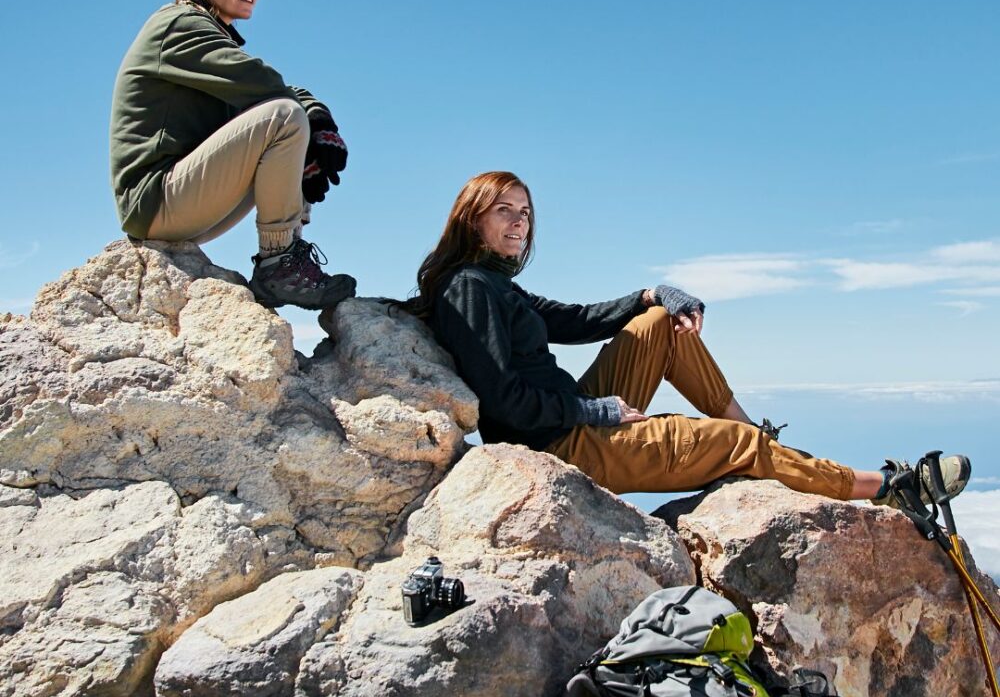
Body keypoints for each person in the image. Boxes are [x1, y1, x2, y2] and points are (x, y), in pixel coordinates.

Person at [413, 171, 971, 508]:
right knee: (735, 447)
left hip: (571, 420)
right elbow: (504, 401)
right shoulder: (470, 289)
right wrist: (596, 411)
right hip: (560, 444)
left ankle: (758, 435)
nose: (519, 224)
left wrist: (653, 294)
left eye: (526, 213)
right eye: (504, 211)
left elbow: (576, 319)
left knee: (659, 325)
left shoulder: (491, 283)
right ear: (472, 219)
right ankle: (888, 489)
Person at [110, 0, 355, 310]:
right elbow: (265, 84)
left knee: (290, 121)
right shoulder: (177, 25)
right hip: (156, 201)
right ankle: (278, 263)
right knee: (285, 117)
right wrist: (317, 118)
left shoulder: (212, 35)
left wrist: (312, 134)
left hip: (186, 205)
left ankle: (289, 253)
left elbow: (267, 89)